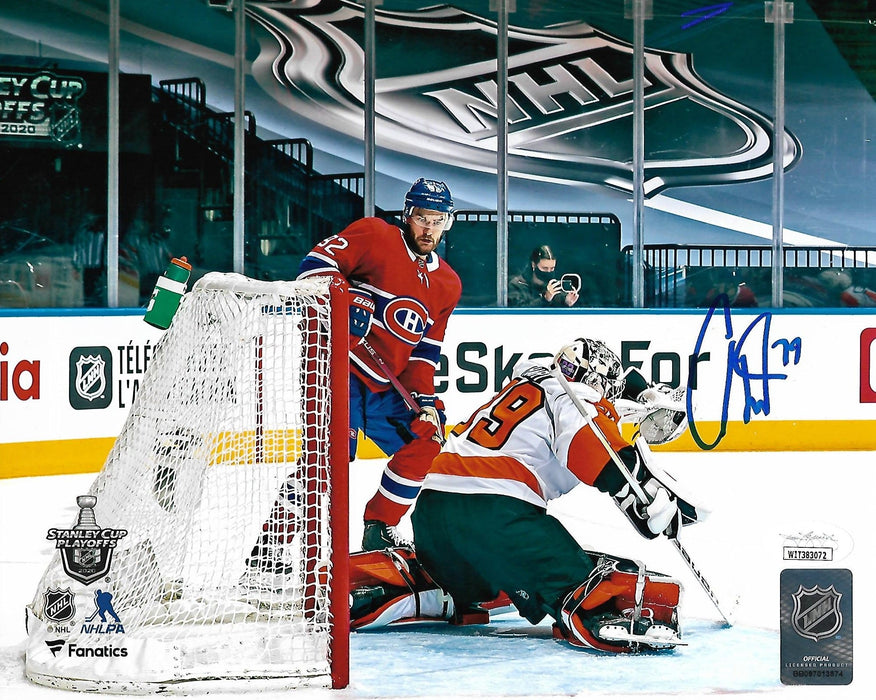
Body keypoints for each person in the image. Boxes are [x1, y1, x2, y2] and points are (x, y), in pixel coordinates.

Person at [397, 337, 704, 651]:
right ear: (595, 382)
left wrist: (637, 395)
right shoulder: (572, 396)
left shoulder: (527, 382)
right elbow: (590, 443)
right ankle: (591, 615)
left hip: (430, 514)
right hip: (494, 515)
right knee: (578, 583)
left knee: (478, 584)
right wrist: (641, 494)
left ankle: (432, 586)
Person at [297, 178, 462, 551]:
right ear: (408, 215)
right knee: (331, 458)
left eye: (438, 220)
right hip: (339, 367)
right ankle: (269, 551)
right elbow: (312, 268)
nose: (429, 228)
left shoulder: (448, 284)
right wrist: (344, 296)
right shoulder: (374, 235)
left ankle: (379, 527)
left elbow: (423, 354)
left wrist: (423, 401)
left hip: (386, 385)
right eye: (422, 218)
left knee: (429, 438)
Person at [508, 245, 579, 307]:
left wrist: (566, 302)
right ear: (533, 265)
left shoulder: (554, 286)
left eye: (552, 268)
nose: (548, 271)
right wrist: (545, 299)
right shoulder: (516, 285)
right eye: (545, 268)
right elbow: (518, 313)